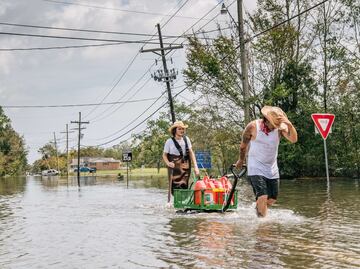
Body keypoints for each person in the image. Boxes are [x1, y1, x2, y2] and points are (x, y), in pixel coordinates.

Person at [235, 106, 298, 217]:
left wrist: (289, 125)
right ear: (266, 120)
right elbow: (243, 146)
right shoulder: (253, 127)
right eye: (273, 125)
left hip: (272, 168)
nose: (275, 127)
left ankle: (258, 209)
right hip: (256, 166)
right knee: (262, 196)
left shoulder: (280, 128)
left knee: (272, 199)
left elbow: (293, 139)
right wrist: (241, 160)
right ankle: (263, 226)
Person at [163, 121, 199, 202]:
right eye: (179, 129)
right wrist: (168, 163)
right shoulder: (169, 141)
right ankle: (177, 203)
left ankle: (182, 204)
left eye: (183, 129)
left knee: (184, 184)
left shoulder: (186, 139)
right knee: (175, 186)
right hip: (174, 167)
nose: (182, 130)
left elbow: (191, 153)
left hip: (185, 165)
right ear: (175, 130)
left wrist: (196, 166)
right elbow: (164, 155)